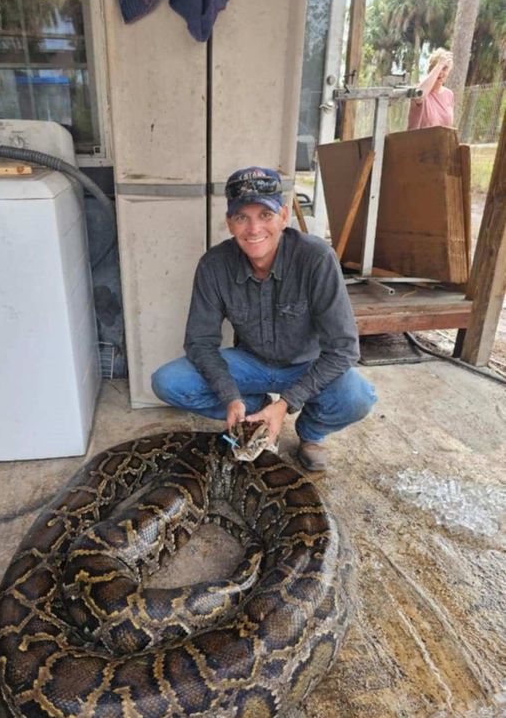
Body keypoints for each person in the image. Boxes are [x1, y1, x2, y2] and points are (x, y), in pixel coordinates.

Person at [151, 166, 377, 472]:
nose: (254, 229)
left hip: (304, 366)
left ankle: (311, 433)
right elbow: (200, 343)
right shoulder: (214, 265)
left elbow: (344, 349)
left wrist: (286, 404)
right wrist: (231, 397)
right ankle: (252, 408)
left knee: (357, 397)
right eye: (242, 217)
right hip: (249, 364)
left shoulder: (317, 258)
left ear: (283, 217)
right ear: (230, 223)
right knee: (168, 382)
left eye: (265, 215)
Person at [408, 48, 454, 130]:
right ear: (430, 70)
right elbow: (419, 96)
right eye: (436, 68)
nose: (440, 72)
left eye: (445, 68)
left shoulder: (449, 94)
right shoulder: (419, 89)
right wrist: (440, 64)